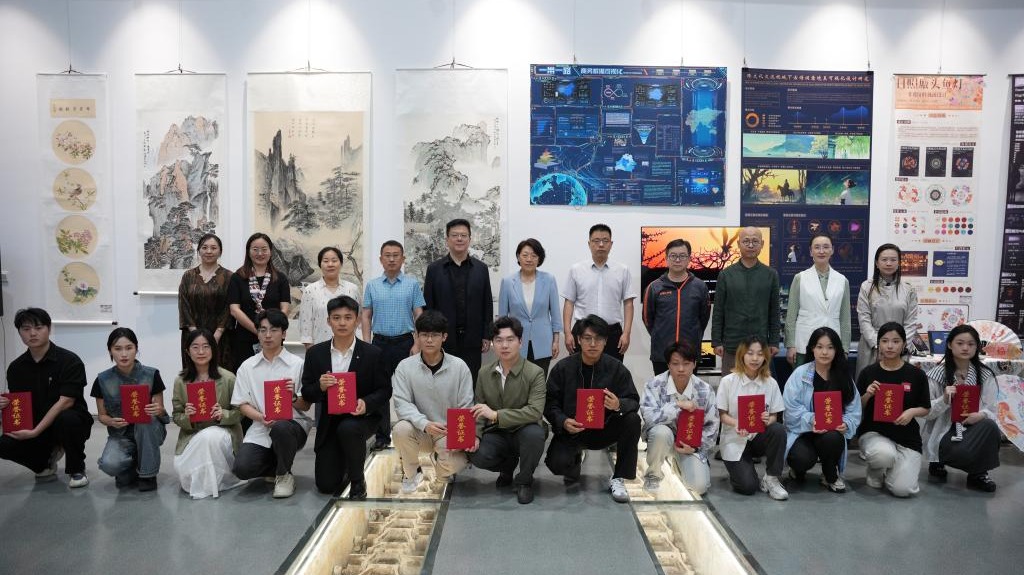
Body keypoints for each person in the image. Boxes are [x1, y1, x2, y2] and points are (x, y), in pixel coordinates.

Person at [301, 296, 391, 499]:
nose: (342, 323)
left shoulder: (373, 353)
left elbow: (385, 390)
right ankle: (344, 459)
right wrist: (320, 387)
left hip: (362, 418)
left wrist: (366, 403)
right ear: (328, 321)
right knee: (326, 485)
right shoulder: (316, 353)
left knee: (349, 428)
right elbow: (307, 392)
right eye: (336, 318)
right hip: (329, 421)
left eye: (348, 317)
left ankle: (358, 481)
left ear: (357, 321)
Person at [544, 314, 641, 503]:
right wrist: (563, 421)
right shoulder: (563, 368)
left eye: (598, 339)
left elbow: (633, 400)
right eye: (587, 338)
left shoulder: (616, 368)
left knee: (632, 420)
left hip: (605, 429)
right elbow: (549, 402)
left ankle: (619, 477)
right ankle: (575, 460)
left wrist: (618, 404)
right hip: (573, 430)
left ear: (605, 342)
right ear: (579, 340)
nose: (593, 344)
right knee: (557, 464)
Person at [0, 308, 92, 487]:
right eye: (26, 329)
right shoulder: (16, 368)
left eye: (38, 327)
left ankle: (77, 469)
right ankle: (43, 463)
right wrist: (5, 404)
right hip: (35, 423)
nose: (32, 333)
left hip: (66, 423)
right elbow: (19, 404)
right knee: (4, 444)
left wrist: (35, 432)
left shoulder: (69, 361)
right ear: (19, 332)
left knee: (67, 418)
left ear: (49, 329)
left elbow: (66, 402)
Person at [230, 309, 313, 499]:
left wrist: (293, 397)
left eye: (274, 330)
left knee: (281, 428)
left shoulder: (297, 364)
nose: (267, 335)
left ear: (283, 334)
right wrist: (261, 417)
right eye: (262, 330)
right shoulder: (247, 366)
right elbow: (242, 404)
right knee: (242, 469)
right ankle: (275, 465)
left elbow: (306, 406)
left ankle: (284, 475)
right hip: (261, 426)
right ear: (257, 333)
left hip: (292, 426)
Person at [468, 316, 548, 504]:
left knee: (535, 435)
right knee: (476, 454)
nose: (504, 345)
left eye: (510, 339)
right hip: (497, 431)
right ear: (493, 344)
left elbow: (535, 411)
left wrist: (496, 415)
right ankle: (507, 467)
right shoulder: (484, 373)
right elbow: (479, 409)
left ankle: (524, 481)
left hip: (525, 429)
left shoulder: (535, 372)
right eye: (499, 340)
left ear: (520, 342)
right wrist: (476, 436)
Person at [392, 310, 474, 492]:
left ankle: (441, 472)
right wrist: (425, 424)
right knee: (400, 429)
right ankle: (412, 472)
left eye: (435, 335)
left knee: (455, 463)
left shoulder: (459, 367)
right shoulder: (405, 367)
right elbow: (402, 403)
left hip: (447, 432)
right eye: (424, 335)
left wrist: (458, 436)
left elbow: (466, 406)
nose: (429, 340)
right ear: (416, 336)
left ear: (444, 337)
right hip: (419, 429)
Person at [361, 240, 425, 451]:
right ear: (381, 259)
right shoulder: (372, 285)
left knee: (410, 389)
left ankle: (414, 434)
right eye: (387, 255)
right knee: (381, 391)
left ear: (403, 259)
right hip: (379, 344)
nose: (391, 259)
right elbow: (366, 315)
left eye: (396, 255)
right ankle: (382, 437)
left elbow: (419, 315)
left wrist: (417, 343)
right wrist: (367, 343)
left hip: (405, 343)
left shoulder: (412, 285)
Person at [921, 324, 1001, 492]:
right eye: (960, 343)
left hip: (973, 428)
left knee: (990, 426)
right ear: (950, 345)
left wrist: (981, 415)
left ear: (977, 347)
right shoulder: (936, 374)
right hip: (945, 430)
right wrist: (944, 400)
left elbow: (993, 409)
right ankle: (938, 461)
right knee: (959, 452)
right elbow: (926, 412)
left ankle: (978, 474)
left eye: (971, 344)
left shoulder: (985, 375)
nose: (965, 348)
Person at [856, 322, 930, 497]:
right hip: (874, 433)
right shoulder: (868, 373)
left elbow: (925, 408)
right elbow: (856, 408)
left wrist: (911, 412)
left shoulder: (916, 375)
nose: (890, 346)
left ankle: (893, 470)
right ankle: (876, 469)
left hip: (907, 437)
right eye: (885, 341)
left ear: (904, 344)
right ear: (878, 344)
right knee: (883, 455)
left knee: (903, 490)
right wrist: (868, 394)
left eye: (896, 341)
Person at [783, 327, 861, 493]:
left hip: (830, 433)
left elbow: (854, 410)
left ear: (836, 350)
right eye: (819, 347)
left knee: (833, 438)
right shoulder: (800, 374)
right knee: (801, 458)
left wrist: (846, 423)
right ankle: (797, 470)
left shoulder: (843, 376)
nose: (824, 352)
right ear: (812, 348)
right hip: (802, 432)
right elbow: (790, 408)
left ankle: (829, 474)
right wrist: (812, 419)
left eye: (830, 347)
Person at [90, 327, 169, 491]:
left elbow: (161, 412)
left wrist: (158, 410)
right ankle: (133, 464)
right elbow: (102, 416)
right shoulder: (102, 380)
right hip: (121, 435)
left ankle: (148, 474)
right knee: (109, 465)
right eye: (118, 349)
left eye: (129, 348)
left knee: (146, 420)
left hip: (150, 432)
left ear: (136, 349)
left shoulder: (151, 374)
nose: (124, 354)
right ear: (110, 351)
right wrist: (111, 421)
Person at [171, 328, 244, 499]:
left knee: (210, 437)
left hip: (224, 433)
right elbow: (176, 415)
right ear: (187, 351)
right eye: (195, 347)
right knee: (181, 468)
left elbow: (240, 412)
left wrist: (223, 414)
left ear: (213, 349)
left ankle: (212, 484)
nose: (201, 352)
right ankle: (208, 481)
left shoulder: (228, 378)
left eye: (206, 346)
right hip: (192, 435)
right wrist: (187, 417)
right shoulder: (181, 381)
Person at [640, 341, 718, 495]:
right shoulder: (654, 385)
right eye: (675, 364)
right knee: (661, 432)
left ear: (694, 364)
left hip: (690, 445)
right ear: (668, 364)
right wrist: (678, 406)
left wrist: (695, 448)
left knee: (699, 487)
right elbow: (649, 418)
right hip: (663, 440)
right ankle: (653, 475)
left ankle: (677, 462)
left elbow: (712, 427)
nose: (681, 369)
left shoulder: (705, 390)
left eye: (686, 363)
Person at [717, 336, 788, 500]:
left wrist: (767, 420)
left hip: (758, 438)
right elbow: (722, 414)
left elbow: (774, 416)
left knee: (778, 429)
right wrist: (736, 423)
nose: (755, 358)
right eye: (750, 353)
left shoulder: (771, 383)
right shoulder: (728, 381)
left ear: (765, 357)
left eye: (760, 354)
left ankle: (772, 478)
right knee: (748, 487)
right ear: (742, 355)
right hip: (735, 439)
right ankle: (739, 471)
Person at [423, 218, 494, 383]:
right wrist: (431, 336)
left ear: (470, 239)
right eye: (455, 235)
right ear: (447, 239)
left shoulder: (481, 269)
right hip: (444, 339)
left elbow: (487, 304)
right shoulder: (434, 269)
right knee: (443, 382)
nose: (459, 239)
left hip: (473, 339)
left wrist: (487, 335)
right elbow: (428, 306)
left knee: (470, 382)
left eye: (463, 235)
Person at [562, 224, 638, 362]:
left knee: (612, 371)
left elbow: (628, 303)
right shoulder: (576, 270)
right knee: (580, 371)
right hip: (583, 331)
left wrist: (626, 333)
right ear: (589, 244)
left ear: (611, 244)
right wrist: (567, 333)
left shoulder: (622, 270)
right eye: (596, 241)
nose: (601, 245)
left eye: (605, 240)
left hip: (612, 333)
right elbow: (569, 303)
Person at [711, 227, 781, 374]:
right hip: (732, 344)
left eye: (755, 241)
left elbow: (774, 312)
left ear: (762, 244)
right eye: (746, 241)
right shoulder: (726, 275)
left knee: (761, 386)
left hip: (760, 347)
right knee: (731, 386)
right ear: (738, 244)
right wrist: (716, 341)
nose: (750, 245)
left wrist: (774, 341)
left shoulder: (771, 274)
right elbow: (718, 311)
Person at [643, 239, 710, 375]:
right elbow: (648, 319)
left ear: (689, 259)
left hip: (690, 353)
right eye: (673, 256)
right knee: (663, 388)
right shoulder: (654, 287)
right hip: (662, 354)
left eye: (682, 256)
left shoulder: (700, 287)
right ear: (666, 259)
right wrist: (661, 335)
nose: (677, 260)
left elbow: (703, 318)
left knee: (688, 389)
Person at [785, 234, 851, 366]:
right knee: (804, 378)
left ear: (832, 250)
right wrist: (791, 345)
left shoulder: (842, 280)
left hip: (832, 345)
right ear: (811, 251)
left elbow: (845, 318)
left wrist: (844, 348)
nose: (821, 251)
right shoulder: (800, 278)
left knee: (830, 379)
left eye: (826, 247)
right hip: (804, 343)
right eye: (817, 247)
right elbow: (791, 315)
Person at [498, 238, 562, 373]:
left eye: (534, 256)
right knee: (516, 380)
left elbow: (555, 314)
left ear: (539, 259)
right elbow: (502, 319)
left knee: (539, 380)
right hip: (516, 342)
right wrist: (502, 342)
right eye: (525, 255)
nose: (529, 259)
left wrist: (556, 341)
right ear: (518, 257)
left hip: (543, 342)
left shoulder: (549, 280)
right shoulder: (508, 282)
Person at [228, 233, 291, 368]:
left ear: (270, 251)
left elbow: (285, 308)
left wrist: (270, 331)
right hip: (244, 338)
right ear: (248, 251)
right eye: (255, 249)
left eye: (264, 249)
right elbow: (234, 310)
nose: (260, 253)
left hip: (272, 338)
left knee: (273, 374)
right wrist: (259, 331)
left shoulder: (280, 278)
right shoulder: (237, 277)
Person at [855, 244, 920, 376]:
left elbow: (910, 323)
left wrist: (899, 345)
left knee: (897, 385)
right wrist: (879, 345)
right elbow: (864, 320)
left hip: (899, 349)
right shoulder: (866, 287)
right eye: (884, 259)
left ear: (899, 263)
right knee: (869, 384)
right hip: (872, 347)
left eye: (893, 260)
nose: (888, 263)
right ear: (877, 263)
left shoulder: (909, 289)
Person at [177, 232, 234, 370]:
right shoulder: (188, 276)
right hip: (192, 336)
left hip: (221, 337)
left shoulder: (229, 276)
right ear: (198, 250)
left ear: (220, 252)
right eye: (204, 247)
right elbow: (184, 306)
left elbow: (229, 307)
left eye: (213, 248)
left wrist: (216, 335)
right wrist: (196, 336)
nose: (209, 251)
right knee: (194, 375)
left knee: (220, 375)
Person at [300, 246, 361, 349]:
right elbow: (305, 324)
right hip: (320, 347)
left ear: (341, 263)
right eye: (326, 261)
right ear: (320, 264)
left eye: (334, 260)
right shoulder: (310, 290)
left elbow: (358, 321)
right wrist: (311, 350)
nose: (330, 264)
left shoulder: (352, 289)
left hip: (350, 348)